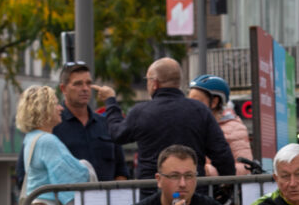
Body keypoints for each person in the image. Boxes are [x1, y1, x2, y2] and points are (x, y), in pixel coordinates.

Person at [104, 58, 235, 180]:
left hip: (152, 192)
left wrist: (110, 102)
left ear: (154, 83)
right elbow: (221, 154)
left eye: (148, 79)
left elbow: (117, 134)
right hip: (193, 192)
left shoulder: (141, 112)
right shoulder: (200, 110)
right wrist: (228, 183)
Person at [15, 61, 126, 188]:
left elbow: (121, 169)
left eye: (88, 83)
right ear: (63, 89)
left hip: (107, 204)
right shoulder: (49, 125)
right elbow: (23, 175)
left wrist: (117, 196)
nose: (85, 88)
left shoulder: (105, 124)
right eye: (78, 84)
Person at [187, 74, 253, 172]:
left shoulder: (234, 128)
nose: (190, 106)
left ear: (214, 102)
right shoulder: (189, 126)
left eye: (196, 101)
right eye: (189, 101)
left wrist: (207, 171)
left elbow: (245, 167)